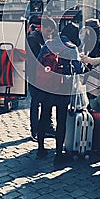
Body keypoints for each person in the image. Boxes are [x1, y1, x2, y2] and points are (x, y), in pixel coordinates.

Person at [36, 17, 83, 165]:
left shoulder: (48, 43)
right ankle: (58, 153)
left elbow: (38, 62)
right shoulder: (72, 47)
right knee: (60, 120)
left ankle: (41, 149)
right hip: (63, 88)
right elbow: (79, 68)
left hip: (46, 86)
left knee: (44, 116)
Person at [26, 15, 54, 141]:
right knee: (36, 103)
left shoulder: (44, 38)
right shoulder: (33, 39)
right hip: (34, 76)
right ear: (42, 28)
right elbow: (36, 59)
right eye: (48, 31)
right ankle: (35, 130)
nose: (50, 33)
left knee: (46, 101)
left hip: (44, 76)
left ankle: (47, 127)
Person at [80, 19, 100, 101]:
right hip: (90, 73)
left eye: (89, 30)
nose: (87, 32)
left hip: (99, 75)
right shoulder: (89, 40)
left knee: (95, 98)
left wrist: (89, 59)